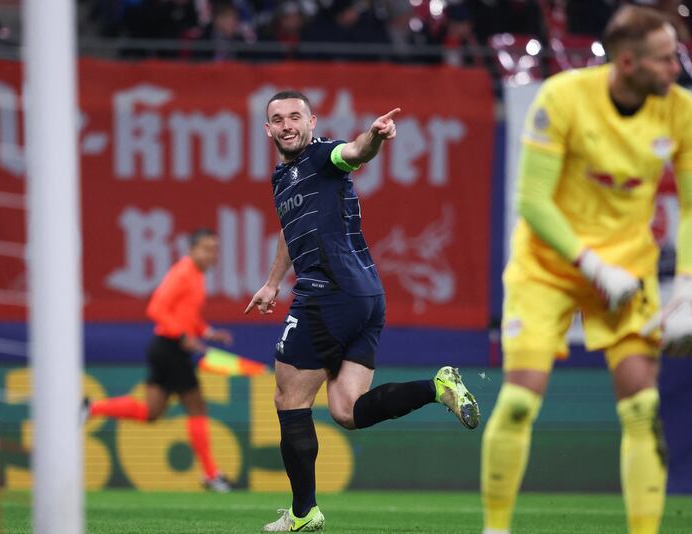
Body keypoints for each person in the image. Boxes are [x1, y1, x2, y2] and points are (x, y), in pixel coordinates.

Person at [482, 5, 692, 534]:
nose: (676, 67)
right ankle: (495, 529)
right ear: (627, 62)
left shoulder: (681, 112)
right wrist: (592, 265)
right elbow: (532, 200)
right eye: (664, 59)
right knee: (518, 403)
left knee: (642, 409)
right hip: (549, 266)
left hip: (629, 270)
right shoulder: (563, 98)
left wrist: (691, 289)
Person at [245, 90, 480, 532]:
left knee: (288, 397)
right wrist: (274, 282)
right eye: (278, 119)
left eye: (295, 116)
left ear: (312, 122)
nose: (287, 124)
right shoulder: (284, 178)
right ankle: (437, 387)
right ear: (268, 129)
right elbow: (288, 230)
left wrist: (374, 137)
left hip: (328, 293)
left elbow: (352, 152)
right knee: (347, 411)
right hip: (366, 296)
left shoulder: (321, 155)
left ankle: (303, 513)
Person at [84, 228, 234, 492]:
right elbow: (155, 308)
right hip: (170, 347)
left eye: (215, 250)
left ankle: (91, 408)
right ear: (192, 249)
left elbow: (185, 314)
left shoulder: (196, 276)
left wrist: (207, 332)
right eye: (207, 249)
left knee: (151, 412)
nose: (213, 255)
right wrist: (182, 335)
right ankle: (211, 474)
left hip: (167, 347)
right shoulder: (183, 272)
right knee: (197, 407)